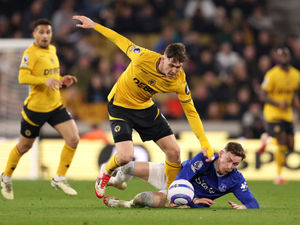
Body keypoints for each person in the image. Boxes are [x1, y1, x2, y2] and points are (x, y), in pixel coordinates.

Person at [72, 15, 214, 199]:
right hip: (120, 106)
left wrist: (204, 142)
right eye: (171, 65)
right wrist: (95, 26)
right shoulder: (143, 57)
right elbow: (120, 40)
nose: (174, 71)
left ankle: (171, 194)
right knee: (124, 157)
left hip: (145, 108)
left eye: (178, 67)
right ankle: (105, 172)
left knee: (174, 152)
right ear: (163, 58)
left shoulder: (179, 81)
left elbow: (191, 112)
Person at [0, 19, 79, 200]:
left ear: (51, 34)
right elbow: (22, 77)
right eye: (41, 32)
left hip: (55, 105)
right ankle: (6, 177)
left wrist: (61, 79)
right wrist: (45, 81)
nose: (44, 36)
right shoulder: (30, 53)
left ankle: (59, 178)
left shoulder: (52, 50)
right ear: (34, 34)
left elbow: (50, 76)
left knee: (73, 139)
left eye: (48, 32)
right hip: (35, 109)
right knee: (24, 146)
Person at [103, 142, 259, 209]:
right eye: (229, 161)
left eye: (235, 164)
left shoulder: (235, 179)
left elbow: (253, 203)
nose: (231, 167)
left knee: (142, 199)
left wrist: (244, 206)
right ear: (222, 153)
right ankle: (116, 181)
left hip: (180, 196)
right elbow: (182, 178)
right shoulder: (205, 158)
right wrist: (194, 199)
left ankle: (122, 204)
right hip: (172, 174)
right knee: (129, 167)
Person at [260, 47, 300, 184]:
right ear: (277, 58)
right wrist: (277, 103)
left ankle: (268, 138)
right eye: (281, 55)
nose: (284, 57)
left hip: (287, 114)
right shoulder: (271, 75)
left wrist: (297, 105)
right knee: (282, 141)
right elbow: (262, 94)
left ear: (289, 56)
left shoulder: (296, 74)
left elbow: (294, 92)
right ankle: (278, 176)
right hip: (273, 113)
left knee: (291, 146)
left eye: (285, 55)